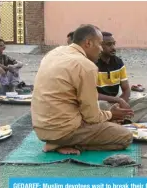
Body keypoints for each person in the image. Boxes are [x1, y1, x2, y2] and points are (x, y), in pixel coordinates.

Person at [31, 25, 134, 155]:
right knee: (125, 137)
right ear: (88, 43)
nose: (101, 49)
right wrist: (111, 114)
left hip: (41, 129)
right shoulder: (86, 66)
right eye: (100, 44)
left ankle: (60, 142)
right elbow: (92, 117)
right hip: (64, 131)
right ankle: (63, 143)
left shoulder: (54, 53)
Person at [96, 32, 147, 123]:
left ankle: (121, 120)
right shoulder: (93, 63)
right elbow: (93, 94)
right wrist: (118, 100)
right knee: (101, 105)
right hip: (101, 103)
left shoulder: (118, 62)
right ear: (100, 46)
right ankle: (120, 119)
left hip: (115, 102)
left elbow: (126, 89)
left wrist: (119, 104)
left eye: (114, 44)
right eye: (109, 44)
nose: (113, 47)